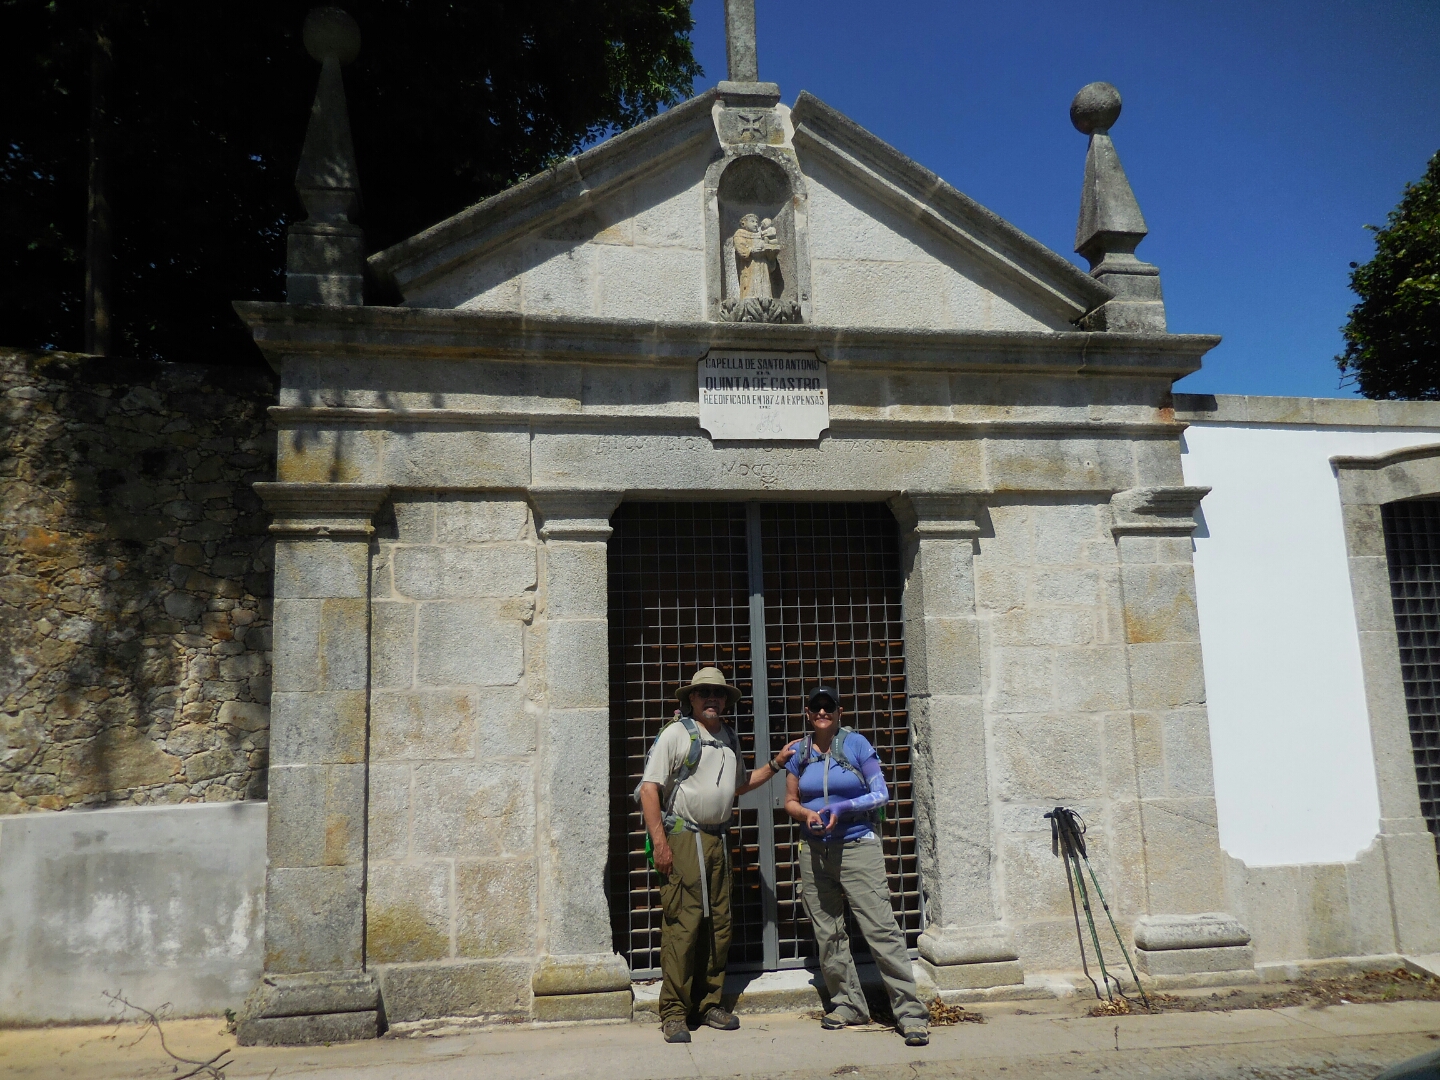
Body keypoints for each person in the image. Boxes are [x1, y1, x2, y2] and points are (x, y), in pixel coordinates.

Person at [639, 667, 798, 1043]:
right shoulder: (676, 734)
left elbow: (738, 785)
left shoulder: (728, 737)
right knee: (684, 924)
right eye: (705, 692)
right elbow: (648, 789)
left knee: (719, 925)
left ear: (726, 701)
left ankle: (707, 1004)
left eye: (719, 693)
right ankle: (674, 1012)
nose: (713, 698)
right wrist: (660, 844)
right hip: (683, 839)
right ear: (691, 698)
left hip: (717, 841)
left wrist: (776, 764)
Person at [784, 685, 930, 1046]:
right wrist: (805, 814)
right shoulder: (799, 752)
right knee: (828, 932)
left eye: (828, 706)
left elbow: (881, 793)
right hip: (814, 850)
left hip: (857, 847)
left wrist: (843, 807)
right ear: (807, 713)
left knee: (880, 928)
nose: (822, 712)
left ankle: (910, 1013)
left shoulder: (856, 744)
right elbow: (789, 800)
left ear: (839, 712)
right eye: (816, 706)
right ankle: (848, 1004)